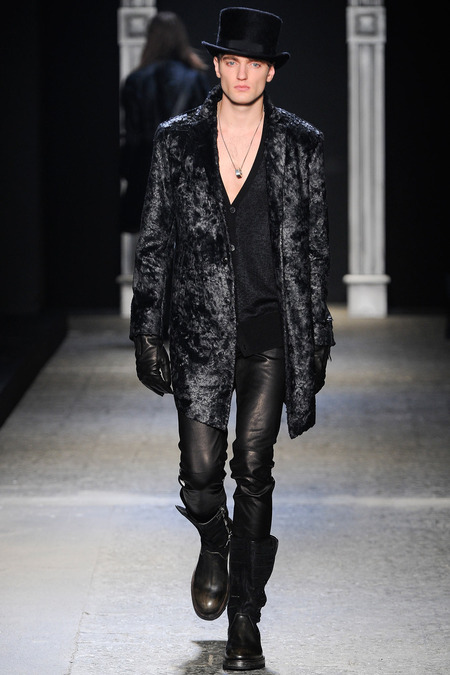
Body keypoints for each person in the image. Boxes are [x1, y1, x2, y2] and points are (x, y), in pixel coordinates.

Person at [130, 7, 335, 671]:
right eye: (232, 60)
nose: (243, 73)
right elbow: (156, 240)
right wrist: (147, 328)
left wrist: (314, 340)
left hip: (271, 332)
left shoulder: (300, 145)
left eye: (256, 63)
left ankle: (246, 615)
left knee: (253, 467)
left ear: (271, 72)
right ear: (218, 66)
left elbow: (312, 252)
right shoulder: (177, 143)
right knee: (199, 475)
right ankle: (214, 539)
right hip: (198, 329)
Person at [120, 11, 210, 234]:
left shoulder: (135, 81)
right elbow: (206, 134)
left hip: (145, 174)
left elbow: (131, 136)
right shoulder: (195, 79)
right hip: (185, 176)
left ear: (150, 39)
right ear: (181, 37)